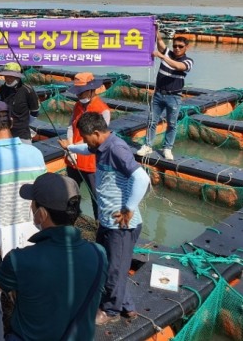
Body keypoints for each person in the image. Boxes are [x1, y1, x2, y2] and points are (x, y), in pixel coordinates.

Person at [0, 173, 108, 341]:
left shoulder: (19, 260)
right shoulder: (99, 254)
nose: (31, 207)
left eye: (32, 204)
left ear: (41, 214)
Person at [0, 100, 46, 341]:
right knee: (27, 296)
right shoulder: (35, 153)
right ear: (11, 122)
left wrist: (3, 247)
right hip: (29, 241)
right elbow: (40, 201)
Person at [65, 112, 150, 325]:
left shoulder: (116, 149)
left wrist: (129, 208)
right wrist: (71, 147)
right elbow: (87, 148)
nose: (85, 142)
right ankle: (128, 306)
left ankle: (110, 310)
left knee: (114, 268)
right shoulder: (100, 146)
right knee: (109, 264)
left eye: (85, 137)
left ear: (96, 133)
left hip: (121, 224)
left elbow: (142, 178)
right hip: (107, 220)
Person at [58, 72, 110, 220]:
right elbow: (70, 127)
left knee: (96, 197)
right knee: (71, 194)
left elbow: (97, 138)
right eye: (78, 92)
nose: (79, 95)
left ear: (92, 89)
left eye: (82, 92)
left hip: (91, 163)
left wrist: (72, 146)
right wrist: (70, 147)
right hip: (72, 160)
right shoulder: (78, 106)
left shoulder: (102, 110)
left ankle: (99, 226)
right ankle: (72, 221)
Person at [137, 32, 194, 160]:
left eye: (180, 46)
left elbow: (179, 66)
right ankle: (148, 145)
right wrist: (155, 28)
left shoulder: (188, 61)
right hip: (158, 95)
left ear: (186, 47)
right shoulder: (168, 53)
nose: (177, 48)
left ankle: (167, 148)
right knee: (151, 121)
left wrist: (162, 56)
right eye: (175, 46)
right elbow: (160, 40)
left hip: (174, 97)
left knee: (172, 124)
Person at [0, 62, 39, 144]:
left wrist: (23, 122)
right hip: (6, 131)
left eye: (10, 76)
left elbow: (35, 111)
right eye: (6, 76)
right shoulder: (3, 89)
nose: (7, 79)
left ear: (17, 77)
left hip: (22, 133)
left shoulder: (28, 90)